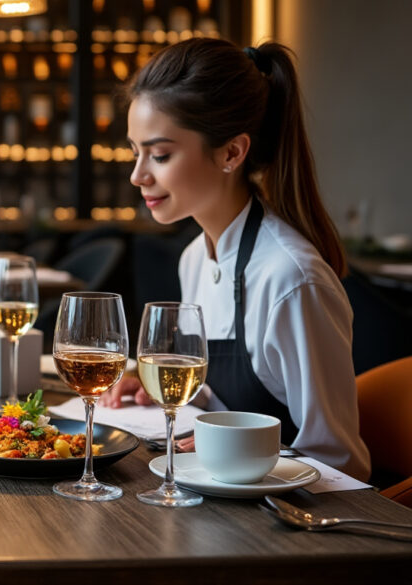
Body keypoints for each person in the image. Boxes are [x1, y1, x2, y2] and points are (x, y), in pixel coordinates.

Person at [100, 38, 370, 481]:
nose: (138, 175)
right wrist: (180, 395)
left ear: (231, 153)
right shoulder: (194, 258)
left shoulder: (291, 280)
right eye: (135, 151)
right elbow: (240, 396)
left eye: (161, 154)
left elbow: (340, 461)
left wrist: (223, 445)